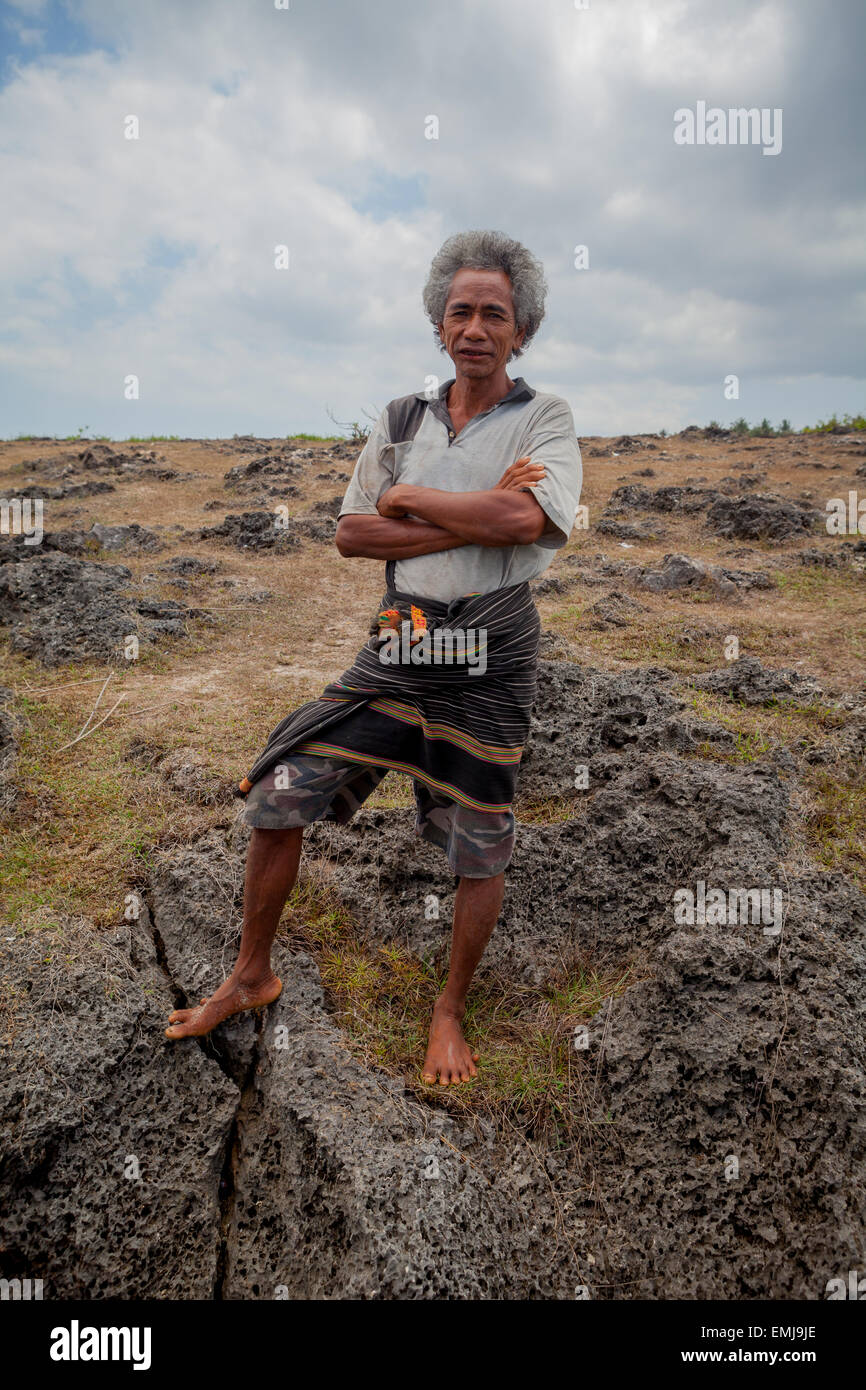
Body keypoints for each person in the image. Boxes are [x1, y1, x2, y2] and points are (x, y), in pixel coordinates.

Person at [166, 229, 582, 1086]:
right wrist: (469, 508)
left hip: (493, 648)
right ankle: (251, 972)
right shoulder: (400, 418)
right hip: (403, 640)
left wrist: (414, 499)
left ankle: (449, 1010)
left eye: (493, 314)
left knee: (481, 839)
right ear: (439, 325)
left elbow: (526, 525)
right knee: (283, 793)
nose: (474, 327)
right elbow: (353, 534)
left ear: (522, 331)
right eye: (459, 311)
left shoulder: (546, 419)